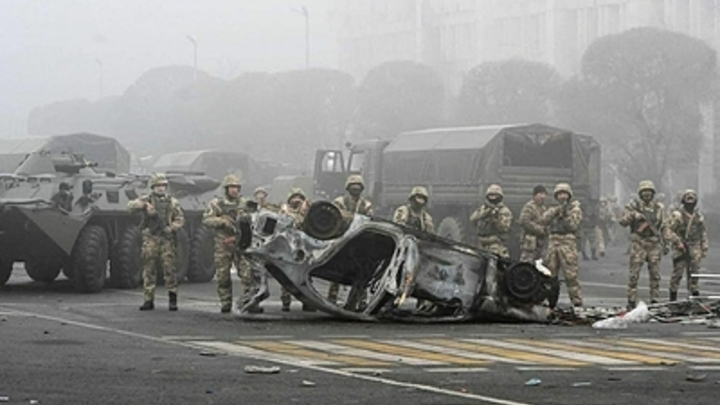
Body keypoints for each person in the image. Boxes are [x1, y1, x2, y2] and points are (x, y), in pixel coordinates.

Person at [202, 174, 258, 314]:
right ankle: (226, 303)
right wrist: (222, 221)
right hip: (223, 244)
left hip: (241, 243)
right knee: (223, 276)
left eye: (237, 187)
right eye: (232, 187)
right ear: (226, 189)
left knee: (247, 274)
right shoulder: (217, 204)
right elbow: (207, 220)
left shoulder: (244, 203)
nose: (234, 190)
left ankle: (249, 301)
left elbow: (256, 216)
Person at [128, 173, 185, 311]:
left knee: (169, 268)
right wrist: (143, 205)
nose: (161, 188)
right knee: (149, 268)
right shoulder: (147, 200)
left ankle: (172, 299)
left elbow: (180, 219)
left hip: (166, 238)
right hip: (151, 237)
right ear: (153, 187)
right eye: (158, 185)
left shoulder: (172, 202)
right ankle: (148, 299)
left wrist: (171, 228)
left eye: (163, 186)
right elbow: (130, 207)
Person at [618, 180, 673, 309]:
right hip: (639, 243)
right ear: (640, 193)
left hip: (653, 243)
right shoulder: (633, 206)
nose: (647, 194)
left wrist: (667, 243)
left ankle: (654, 299)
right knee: (634, 274)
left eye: (649, 191)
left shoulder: (659, 208)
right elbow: (622, 221)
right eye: (644, 192)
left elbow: (665, 226)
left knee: (655, 274)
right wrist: (633, 215)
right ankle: (631, 300)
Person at [328, 175, 375, 305]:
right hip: (342, 239)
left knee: (362, 270)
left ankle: (361, 300)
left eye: (358, 187)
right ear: (348, 188)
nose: (356, 189)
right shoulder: (339, 202)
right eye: (353, 186)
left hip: (361, 242)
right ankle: (332, 297)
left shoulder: (366, 204)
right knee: (337, 270)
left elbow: (371, 219)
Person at [539, 183, 583, 308]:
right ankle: (550, 300)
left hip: (567, 242)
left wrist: (565, 215)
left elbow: (573, 225)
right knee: (550, 274)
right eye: (559, 194)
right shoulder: (553, 208)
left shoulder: (575, 209)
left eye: (564, 194)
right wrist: (556, 211)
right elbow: (543, 220)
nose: (562, 196)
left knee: (571, 275)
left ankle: (576, 300)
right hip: (553, 242)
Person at [394, 186, 434, 311]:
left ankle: (421, 301)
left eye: (422, 198)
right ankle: (393, 299)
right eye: (418, 197)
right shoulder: (403, 211)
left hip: (419, 249)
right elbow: (398, 227)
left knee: (420, 275)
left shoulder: (426, 217)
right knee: (398, 274)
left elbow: (430, 234)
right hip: (403, 247)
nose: (419, 201)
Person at [667, 189, 708, 301]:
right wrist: (678, 242)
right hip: (681, 248)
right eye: (687, 198)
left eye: (692, 198)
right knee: (677, 274)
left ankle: (694, 297)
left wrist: (704, 247)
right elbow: (669, 231)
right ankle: (673, 298)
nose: (690, 200)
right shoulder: (677, 215)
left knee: (694, 274)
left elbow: (703, 232)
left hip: (694, 247)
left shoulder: (698, 216)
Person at [469, 184, 513, 258]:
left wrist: (495, 219)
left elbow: (505, 227)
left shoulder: (504, 211)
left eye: (495, 195)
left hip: (495, 244)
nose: (492, 198)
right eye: (490, 195)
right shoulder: (484, 208)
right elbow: (472, 218)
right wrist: (485, 213)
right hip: (481, 244)